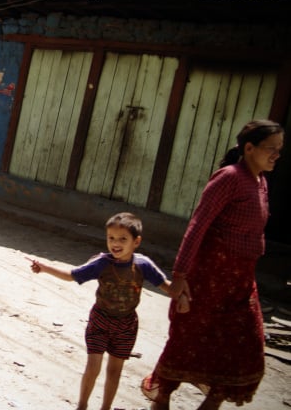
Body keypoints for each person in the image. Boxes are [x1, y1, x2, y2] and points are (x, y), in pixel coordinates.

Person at [142, 120, 284, 410]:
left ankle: (211, 403)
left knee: (243, 347)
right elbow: (197, 226)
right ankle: (162, 401)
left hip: (240, 283)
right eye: (271, 149)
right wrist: (180, 275)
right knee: (187, 342)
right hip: (208, 278)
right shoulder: (229, 178)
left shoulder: (261, 182)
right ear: (249, 148)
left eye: (280, 150)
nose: (276, 155)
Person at [29, 212, 175, 410]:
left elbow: (167, 287)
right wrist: (46, 268)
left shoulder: (143, 265)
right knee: (93, 366)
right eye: (111, 238)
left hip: (127, 326)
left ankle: (105, 407)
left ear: (136, 241)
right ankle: (82, 405)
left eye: (123, 239)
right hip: (100, 320)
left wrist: (185, 294)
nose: (116, 243)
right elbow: (72, 275)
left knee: (114, 371)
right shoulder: (102, 263)